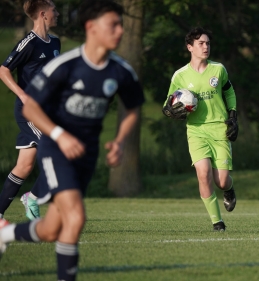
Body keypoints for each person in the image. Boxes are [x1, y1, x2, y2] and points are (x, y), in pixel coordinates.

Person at [0, 1, 144, 280]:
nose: (120, 31)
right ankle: (33, 197)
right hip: (56, 146)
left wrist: (121, 141)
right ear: (91, 27)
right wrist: (58, 134)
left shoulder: (121, 71)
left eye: (121, 24)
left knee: (52, 228)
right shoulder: (66, 65)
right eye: (113, 24)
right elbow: (30, 107)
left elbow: (134, 106)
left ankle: (5, 233)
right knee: (76, 218)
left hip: (85, 153)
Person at [163, 27, 238, 232]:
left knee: (221, 181)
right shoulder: (179, 75)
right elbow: (168, 104)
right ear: (190, 47)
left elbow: (229, 91)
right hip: (196, 131)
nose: (206, 47)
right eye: (201, 44)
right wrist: (171, 110)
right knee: (203, 174)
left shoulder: (218, 69)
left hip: (219, 129)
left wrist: (233, 115)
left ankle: (229, 190)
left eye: (208, 43)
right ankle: (218, 223)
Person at [0, 0, 60, 221]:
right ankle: (33, 197)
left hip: (46, 111)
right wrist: (23, 95)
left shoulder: (55, 42)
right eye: (55, 10)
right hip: (30, 111)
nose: (58, 13)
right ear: (43, 14)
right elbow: (4, 70)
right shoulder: (29, 43)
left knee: (24, 166)